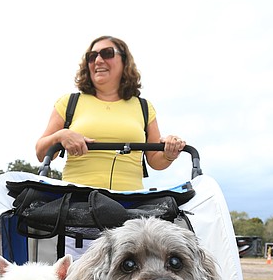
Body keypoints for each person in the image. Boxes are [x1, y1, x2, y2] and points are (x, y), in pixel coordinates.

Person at [35, 35, 186, 191]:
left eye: (107, 53)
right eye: (92, 56)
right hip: (76, 200)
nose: (98, 60)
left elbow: (154, 159)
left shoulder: (144, 107)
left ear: (124, 61)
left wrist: (169, 153)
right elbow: (41, 152)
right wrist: (61, 135)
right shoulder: (68, 103)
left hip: (130, 205)